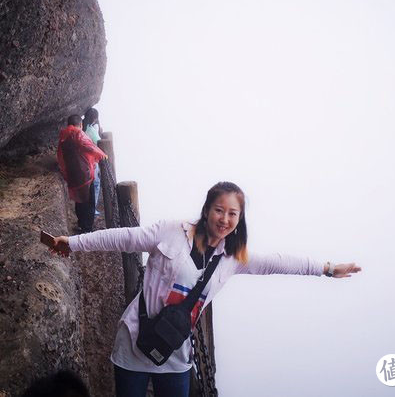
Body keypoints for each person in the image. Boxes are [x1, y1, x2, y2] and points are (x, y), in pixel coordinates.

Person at [50, 182, 362, 397]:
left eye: (232, 213)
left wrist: (325, 268)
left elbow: (277, 262)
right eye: (219, 210)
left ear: (239, 220)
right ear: (207, 209)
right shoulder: (171, 232)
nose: (224, 218)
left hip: (175, 352)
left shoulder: (232, 258)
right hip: (134, 340)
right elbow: (123, 238)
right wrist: (74, 243)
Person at [56, 114, 107, 233]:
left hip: (72, 173)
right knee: (89, 203)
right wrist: (102, 155)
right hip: (84, 174)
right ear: (80, 124)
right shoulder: (77, 134)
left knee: (79, 201)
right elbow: (89, 147)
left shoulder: (64, 135)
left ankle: (81, 224)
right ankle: (87, 229)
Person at [83, 108, 103, 216]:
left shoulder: (82, 126)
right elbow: (99, 143)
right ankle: (92, 209)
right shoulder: (91, 130)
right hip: (92, 161)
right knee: (95, 184)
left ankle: (88, 209)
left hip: (83, 160)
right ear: (95, 118)